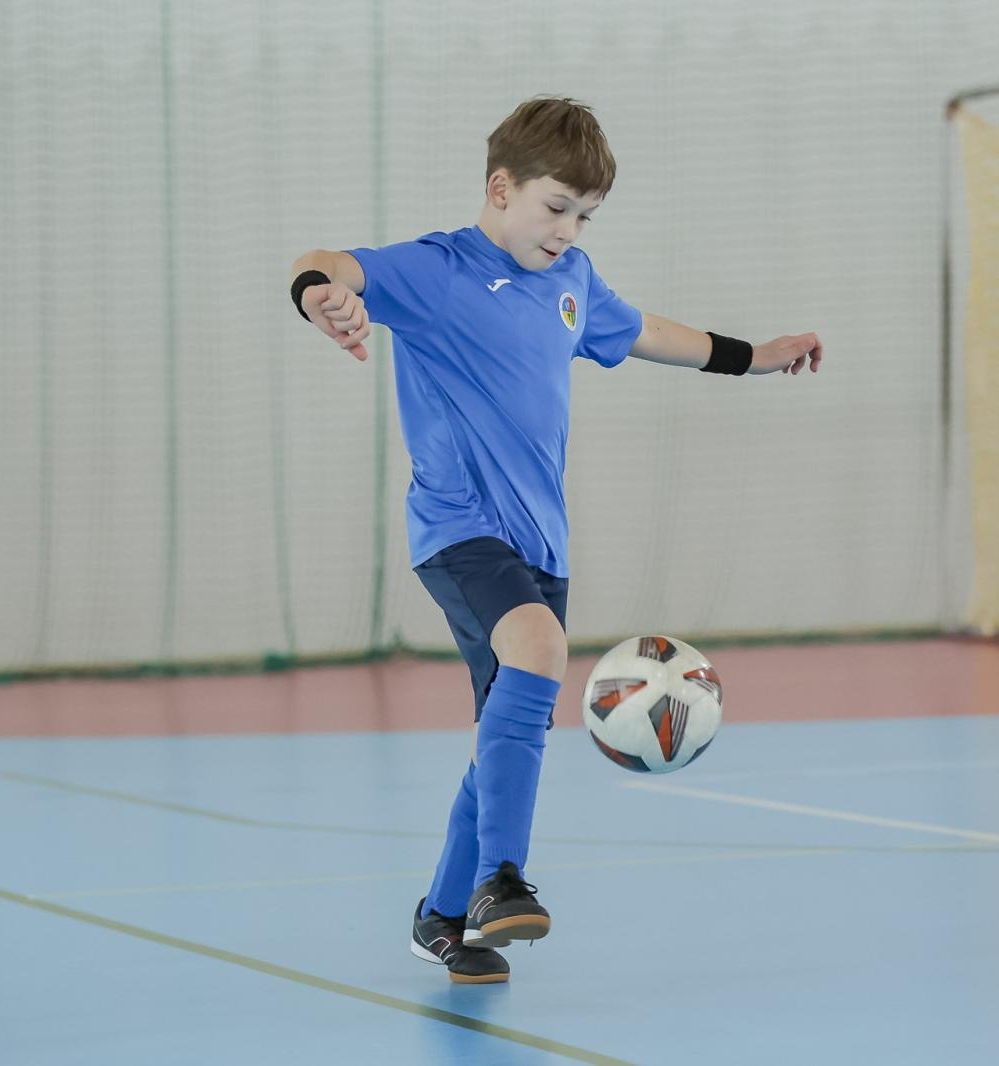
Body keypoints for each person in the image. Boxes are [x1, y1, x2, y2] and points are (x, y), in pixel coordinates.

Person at [288, 97, 822, 983]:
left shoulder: (573, 283)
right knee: (538, 645)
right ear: (500, 189)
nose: (569, 230)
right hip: (458, 528)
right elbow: (325, 262)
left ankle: (442, 917)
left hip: (542, 546)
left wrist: (753, 356)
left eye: (585, 215)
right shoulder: (436, 269)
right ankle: (503, 880)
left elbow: (649, 332)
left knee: (502, 721)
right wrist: (323, 298)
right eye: (555, 208)